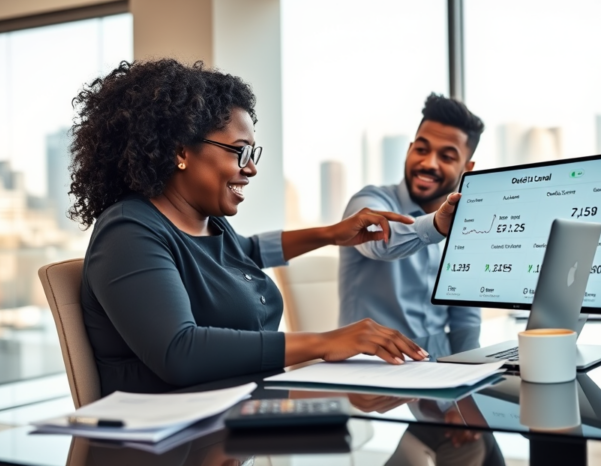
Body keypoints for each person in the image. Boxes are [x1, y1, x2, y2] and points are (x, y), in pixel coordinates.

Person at [71, 59, 433, 397]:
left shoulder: (211, 225)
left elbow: (250, 253)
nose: (251, 169)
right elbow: (179, 351)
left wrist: (331, 235)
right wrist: (324, 342)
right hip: (168, 442)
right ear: (181, 152)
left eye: (252, 155)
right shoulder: (128, 232)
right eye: (239, 151)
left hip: (238, 417)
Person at [339, 94, 485, 337]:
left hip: (438, 366)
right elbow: (380, 242)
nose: (429, 163)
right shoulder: (367, 203)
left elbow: (465, 318)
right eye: (421, 149)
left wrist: (472, 370)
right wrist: (436, 225)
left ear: (467, 168)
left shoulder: (467, 224)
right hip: (370, 368)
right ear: (409, 150)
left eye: (447, 157)